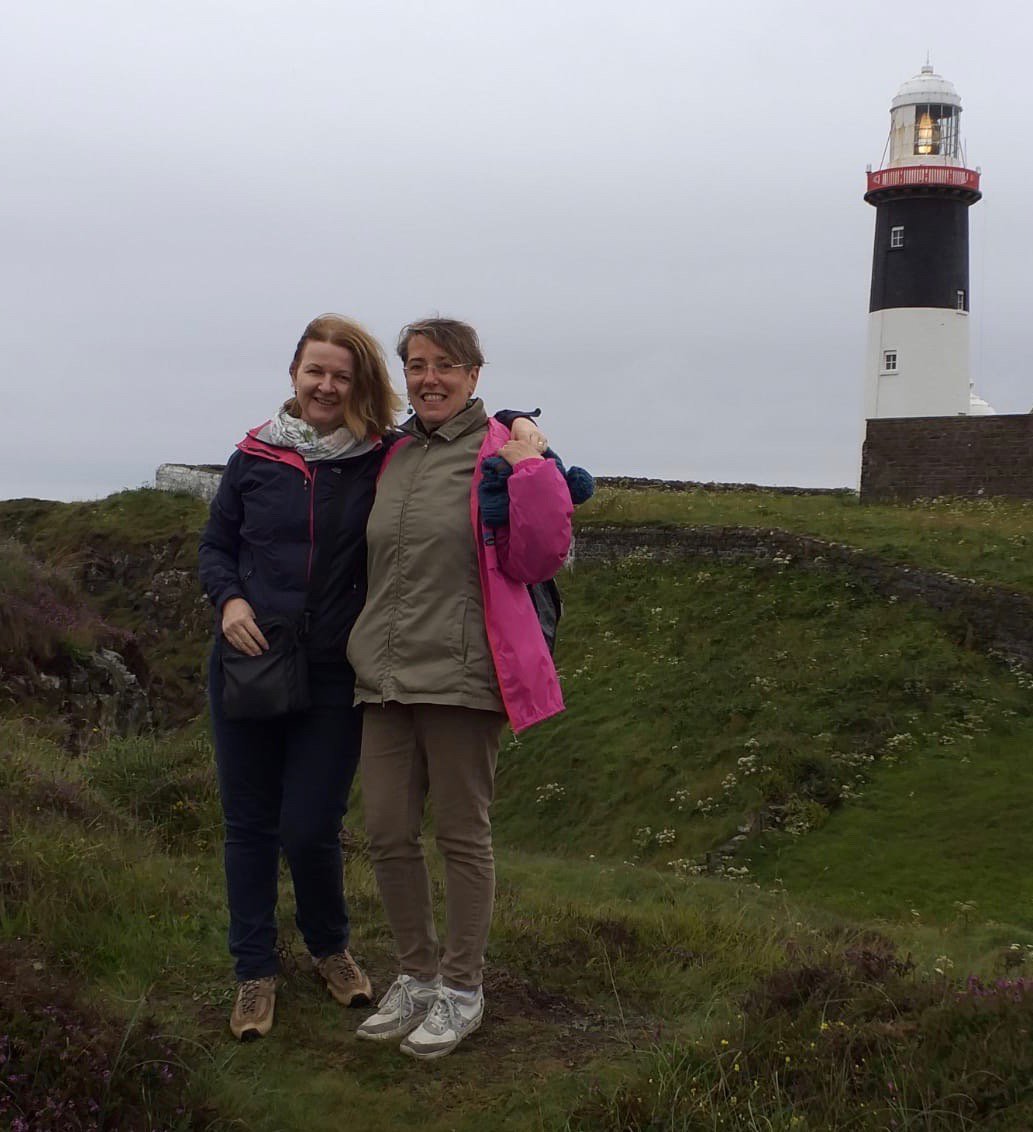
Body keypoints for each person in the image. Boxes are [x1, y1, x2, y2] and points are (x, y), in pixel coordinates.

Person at [198, 314, 545, 1041]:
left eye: (341, 374)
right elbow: (217, 545)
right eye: (313, 370)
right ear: (293, 374)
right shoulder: (290, 455)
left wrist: (526, 447)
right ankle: (291, 973)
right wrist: (228, 597)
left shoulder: (416, 454)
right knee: (310, 830)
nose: (325, 385)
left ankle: (405, 971)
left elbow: (535, 546)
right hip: (306, 666)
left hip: (385, 670)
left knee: (346, 827)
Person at [348, 317, 574, 1060]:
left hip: (462, 674)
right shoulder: (394, 451)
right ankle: (413, 976)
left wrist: (531, 464)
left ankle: (461, 987)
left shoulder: (502, 450)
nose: (429, 378)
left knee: (460, 837)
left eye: (446, 365)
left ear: (475, 375)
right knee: (384, 832)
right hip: (382, 673)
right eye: (417, 365)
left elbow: (541, 554)